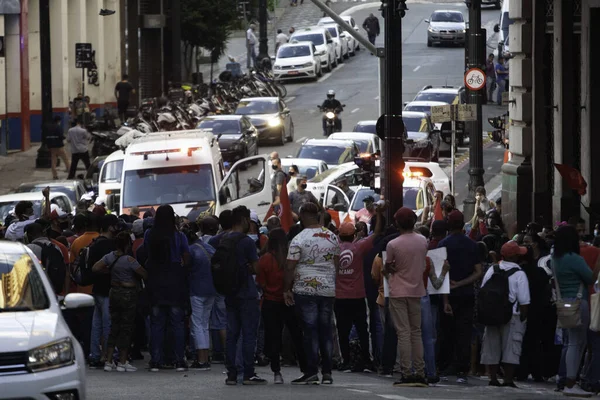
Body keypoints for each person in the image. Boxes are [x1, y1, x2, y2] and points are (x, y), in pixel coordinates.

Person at [284, 203, 341, 385]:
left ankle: (311, 371)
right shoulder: (332, 236)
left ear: (301, 216)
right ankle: (327, 372)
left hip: (304, 289)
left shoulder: (299, 239)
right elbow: (337, 264)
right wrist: (330, 280)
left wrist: (287, 289)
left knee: (309, 331)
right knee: (325, 329)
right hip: (327, 289)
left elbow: (290, 266)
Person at [219, 206, 266, 385]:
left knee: (232, 334)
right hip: (246, 292)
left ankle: (231, 374)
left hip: (229, 292)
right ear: (245, 220)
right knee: (248, 334)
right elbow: (256, 268)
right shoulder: (246, 241)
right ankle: (248, 373)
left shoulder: (225, 239)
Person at [384, 207, 429, 387]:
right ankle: (419, 371)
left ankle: (406, 371)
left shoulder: (393, 244)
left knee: (403, 332)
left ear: (397, 223)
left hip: (398, 290)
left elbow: (388, 266)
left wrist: (390, 268)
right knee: (416, 332)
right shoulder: (423, 241)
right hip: (417, 289)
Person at [553, 225, 600, 397]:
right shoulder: (574, 258)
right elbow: (591, 278)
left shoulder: (555, 258)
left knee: (571, 342)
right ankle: (571, 382)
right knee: (576, 343)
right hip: (579, 302)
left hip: (565, 302)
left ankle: (568, 380)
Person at [336, 205, 383, 373]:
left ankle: (346, 360)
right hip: (357, 296)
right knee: (363, 329)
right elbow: (376, 234)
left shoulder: (334, 249)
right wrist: (378, 214)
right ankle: (366, 360)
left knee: (342, 330)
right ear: (354, 235)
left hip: (339, 297)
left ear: (340, 235)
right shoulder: (359, 247)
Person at [437, 210, 482, 384]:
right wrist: (463, 283)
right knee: (464, 332)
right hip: (467, 295)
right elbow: (478, 272)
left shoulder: (443, 244)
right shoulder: (472, 245)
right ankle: (462, 367)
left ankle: (447, 364)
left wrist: (446, 299)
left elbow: (440, 274)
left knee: (447, 331)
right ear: (463, 224)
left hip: (449, 295)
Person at [144, 205, 191, 372]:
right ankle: (179, 360)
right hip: (174, 282)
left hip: (155, 280)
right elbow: (186, 258)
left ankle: (156, 360)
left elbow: (144, 254)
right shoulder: (179, 236)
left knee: (157, 323)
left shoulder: (150, 234)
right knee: (177, 323)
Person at [92, 232, 147, 372]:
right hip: (128, 293)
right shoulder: (129, 260)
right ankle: (122, 360)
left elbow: (95, 268)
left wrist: (109, 272)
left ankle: (108, 360)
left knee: (114, 327)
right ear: (128, 244)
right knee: (126, 327)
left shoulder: (110, 257)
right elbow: (144, 274)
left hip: (114, 292)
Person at [257, 228, 306, 384]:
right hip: (289, 300)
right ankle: (306, 368)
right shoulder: (289, 259)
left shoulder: (264, 259)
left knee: (273, 336)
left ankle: (277, 372)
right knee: (297, 334)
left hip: (270, 301)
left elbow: (261, 282)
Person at [480, 241, 530, 388]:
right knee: (511, 347)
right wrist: (523, 318)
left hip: (491, 315)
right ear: (515, 257)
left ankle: (493, 378)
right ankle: (508, 379)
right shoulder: (519, 273)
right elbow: (524, 301)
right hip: (512, 315)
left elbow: (483, 290)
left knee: (491, 346)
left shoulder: (492, 269)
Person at [183, 226, 217, 371]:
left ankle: (201, 359)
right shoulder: (208, 248)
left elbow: (186, 268)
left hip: (196, 289)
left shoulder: (190, 251)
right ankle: (206, 356)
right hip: (211, 289)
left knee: (197, 324)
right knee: (204, 323)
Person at [45, 115, 71, 180]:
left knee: (53, 161)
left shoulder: (48, 128)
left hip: (52, 147)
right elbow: (61, 136)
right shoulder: (58, 127)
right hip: (59, 146)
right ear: (58, 121)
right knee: (66, 159)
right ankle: (69, 171)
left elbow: (46, 137)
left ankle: (55, 175)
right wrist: (64, 137)